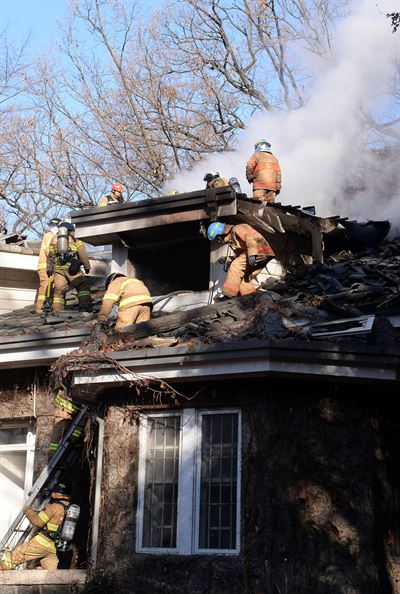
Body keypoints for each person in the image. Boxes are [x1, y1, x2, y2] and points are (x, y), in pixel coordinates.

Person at [0, 482, 71, 571]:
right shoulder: (70, 508)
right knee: (51, 574)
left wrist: (28, 510)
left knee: (10, 559)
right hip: (55, 548)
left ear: (57, 492)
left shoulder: (54, 507)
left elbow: (38, 522)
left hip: (42, 543)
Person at [207, 221, 275, 299]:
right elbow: (241, 255)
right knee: (242, 276)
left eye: (217, 238)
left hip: (259, 250)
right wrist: (230, 259)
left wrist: (252, 254)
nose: (219, 241)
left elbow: (250, 237)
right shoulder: (233, 239)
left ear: (220, 232)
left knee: (236, 266)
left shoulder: (238, 228)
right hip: (262, 253)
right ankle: (251, 297)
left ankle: (228, 295)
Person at [47, 222, 92, 312]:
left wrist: (49, 269)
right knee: (83, 285)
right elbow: (82, 254)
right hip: (71, 268)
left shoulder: (53, 239)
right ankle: (84, 307)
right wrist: (87, 267)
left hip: (58, 269)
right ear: (71, 230)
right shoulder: (75, 239)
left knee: (59, 291)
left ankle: (57, 311)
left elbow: (50, 256)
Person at [35, 217, 62, 313]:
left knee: (50, 286)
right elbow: (48, 250)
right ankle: (40, 308)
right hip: (45, 266)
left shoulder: (53, 236)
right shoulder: (50, 235)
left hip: (49, 266)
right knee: (45, 286)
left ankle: (46, 306)